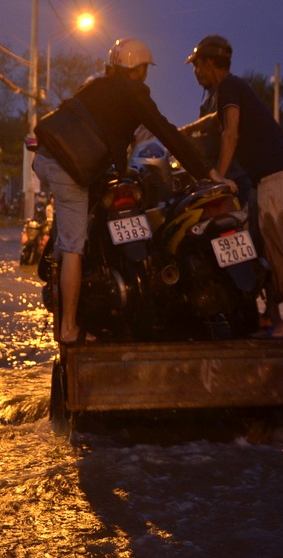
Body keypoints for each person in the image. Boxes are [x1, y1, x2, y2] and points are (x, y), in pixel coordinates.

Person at [33, 37, 234, 345]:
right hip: (70, 168)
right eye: (144, 71)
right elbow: (168, 134)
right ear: (139, 70)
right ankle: (69, 328)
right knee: (74, 247)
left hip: (46, 158)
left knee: (74, 227)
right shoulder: (136, 93)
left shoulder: (94, 87)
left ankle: (56, 263)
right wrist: (209, 172)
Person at [181, 34, 283, 337]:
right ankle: (273, 314)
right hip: (268, 177)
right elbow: (216, 120)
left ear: (209, 64)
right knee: (259, 242)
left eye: (197, 66)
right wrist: (184, 131)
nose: (196, 72)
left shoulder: (230, 87)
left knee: (275, 246)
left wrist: (218, 176)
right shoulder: (230, 91)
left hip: (276, 175)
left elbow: (230, 133)